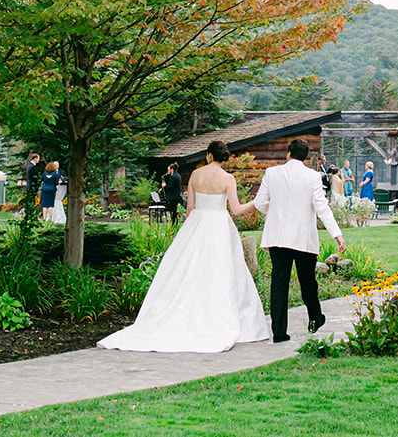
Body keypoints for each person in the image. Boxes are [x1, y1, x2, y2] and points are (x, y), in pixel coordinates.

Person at [100, 140, 271, 352]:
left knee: (189, 269)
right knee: (220, 271)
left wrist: (188, 232)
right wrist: (256, 202)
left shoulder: (195, 175)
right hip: (219, 225)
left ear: (209, 155)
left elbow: (190, 208)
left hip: (197, 223)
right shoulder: (228, 178)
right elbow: (236, 210)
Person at [247, 138, 346, 343]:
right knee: (308, 281)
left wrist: (274, 210)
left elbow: (260, 202)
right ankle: (315, 318)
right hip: (303, 237)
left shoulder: (272, 173)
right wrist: (337, 234)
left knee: (279, 283)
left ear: (288, 153)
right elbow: (322, 207)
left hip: (278, 237)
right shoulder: (313, 176)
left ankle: (279, 332)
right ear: (306, 157)